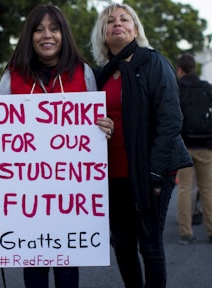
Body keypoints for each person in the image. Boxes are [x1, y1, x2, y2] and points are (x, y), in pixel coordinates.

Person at [0, 4, 114, 288]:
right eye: (39, 29)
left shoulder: (83, 72)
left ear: (64, 34)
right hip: (26, 195)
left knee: (67, 266)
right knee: (33, 265)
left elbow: (96, 122)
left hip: (71, 195)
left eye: (54, 28)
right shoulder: (12, 74)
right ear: (29, 36)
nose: (46, 35)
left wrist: (104, 126)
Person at [90, 3, 192, 288]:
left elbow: (171, 119)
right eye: (110, 21)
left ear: (135, 28)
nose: (117, 24)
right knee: (122, 246)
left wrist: (155, 172)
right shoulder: (100, 75)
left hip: (151, 171)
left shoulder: (153, 62)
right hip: (113, 174)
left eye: (125, 19)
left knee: (149, 246)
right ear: (103, 32)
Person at [176, 53, 212, 244]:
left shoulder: (178, 89)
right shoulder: (207, 88)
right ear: (194, 69)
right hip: (206, 146)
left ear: (180, 70)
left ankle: (185, 232)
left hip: (184, 146)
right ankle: (211, 230)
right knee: (207, 190)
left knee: (184, 189)